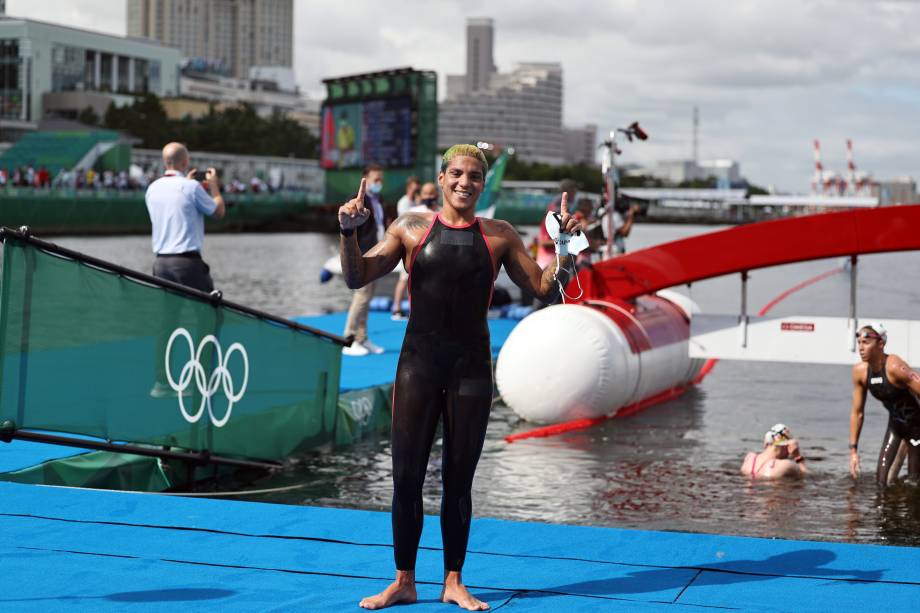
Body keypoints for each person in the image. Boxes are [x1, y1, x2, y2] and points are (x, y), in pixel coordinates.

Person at [339, 144, 581, 610]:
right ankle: (404, 581)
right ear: (442, 177)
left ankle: (453, 581)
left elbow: (546, 290)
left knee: (458, 479)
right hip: (418, 367)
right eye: (456, 174)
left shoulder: (499, 235)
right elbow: (357, 276)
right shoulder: (410, 227)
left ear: (483, 184)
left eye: (474, 176)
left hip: (470, 370)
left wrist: (566, 247)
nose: (464, 182)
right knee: (406, 477)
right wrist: (349, 233)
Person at [145, 142, 225, 292]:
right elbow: (218, 211)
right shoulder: (192, 187)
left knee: (169, 307)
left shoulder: (152, 188)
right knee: (205, 306)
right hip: (187, 263)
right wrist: (214, 186)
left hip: (161, 265)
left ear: (165, 162)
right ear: (186, 162)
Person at [848, 323, 920, 485]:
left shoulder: (895, 367)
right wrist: (853, 451)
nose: (861, 348)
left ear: (881, 343)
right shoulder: (860, 372)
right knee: (882, 482)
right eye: (859, 342)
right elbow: (857, 413)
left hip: (917, 427)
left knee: (914, 482)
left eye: (866, 342)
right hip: (896, 425)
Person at [342, 163, 392, 356]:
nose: (379, 182)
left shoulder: (379, 199)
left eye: (381, 179)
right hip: (361, 252)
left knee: (368, 297)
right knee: (361, 296)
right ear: (366, 179)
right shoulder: (357, 199)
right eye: (376, 179)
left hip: (376, 252)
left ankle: (362, 338)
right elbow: (349, 223)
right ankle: (348, 339)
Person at [391, 182, 439, 320]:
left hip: (432, 255)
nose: (429, 196)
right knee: (404, 279)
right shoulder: (413, 212)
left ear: (436, 194)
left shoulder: (442, 212)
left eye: (431, 193)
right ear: (421, 195)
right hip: (411, 254)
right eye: (426, 193)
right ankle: (397, 308)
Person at [741, 424, 807, 479]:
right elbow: (805, 475)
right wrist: (797, 456)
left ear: (765, 443)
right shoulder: (785, 465)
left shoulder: (749, 457)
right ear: (788, 446)